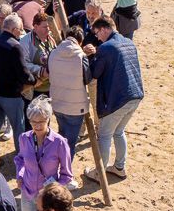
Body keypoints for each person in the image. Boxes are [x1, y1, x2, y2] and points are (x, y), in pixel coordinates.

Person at [16, 99, 72, 211]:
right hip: (27, 192)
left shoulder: (60, 142)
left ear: (49, 119)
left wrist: (55, 188)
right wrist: (19, 175)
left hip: (48, 200)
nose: (37, 126)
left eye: (41, 122)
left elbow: (67, 175)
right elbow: (19, 159)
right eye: (33, 122)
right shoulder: (24, 138)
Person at [83, 18, 144, 181]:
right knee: (118, 132)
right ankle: (119, 167)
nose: (97, 38)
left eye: (97, 33)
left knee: (104, 135)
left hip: (118, 100)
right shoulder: (129, 42)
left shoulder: (105, 48)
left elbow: (94, 73)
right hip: (135, 95)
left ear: (103, 29)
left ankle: (99, 173)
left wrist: (90, 56)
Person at [0, 13, 33, 157]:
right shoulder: (15, 46)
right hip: (12, 95)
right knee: (19, 129)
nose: (21, 32)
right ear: (14, 29)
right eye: (19, 29)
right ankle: (21, 158)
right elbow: (23, 74)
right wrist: (33, 79)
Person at [47, 27, 90, 165]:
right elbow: (87, 79)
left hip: (58, 103)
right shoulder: (81, 56)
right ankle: (66, 172)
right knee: (70, 143)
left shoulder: (53, 53)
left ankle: (55, 166)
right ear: (80, 41)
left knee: (62, 136)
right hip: (75, 107)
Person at [20, 12, 54, 95]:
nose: (48, 29)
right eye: (45, 27)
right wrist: (41, 71)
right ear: (35, 27)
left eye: (48, 26)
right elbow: (23, 64)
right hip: (35, 89)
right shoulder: (25, 42)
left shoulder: (51, 38)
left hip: (52, 88)